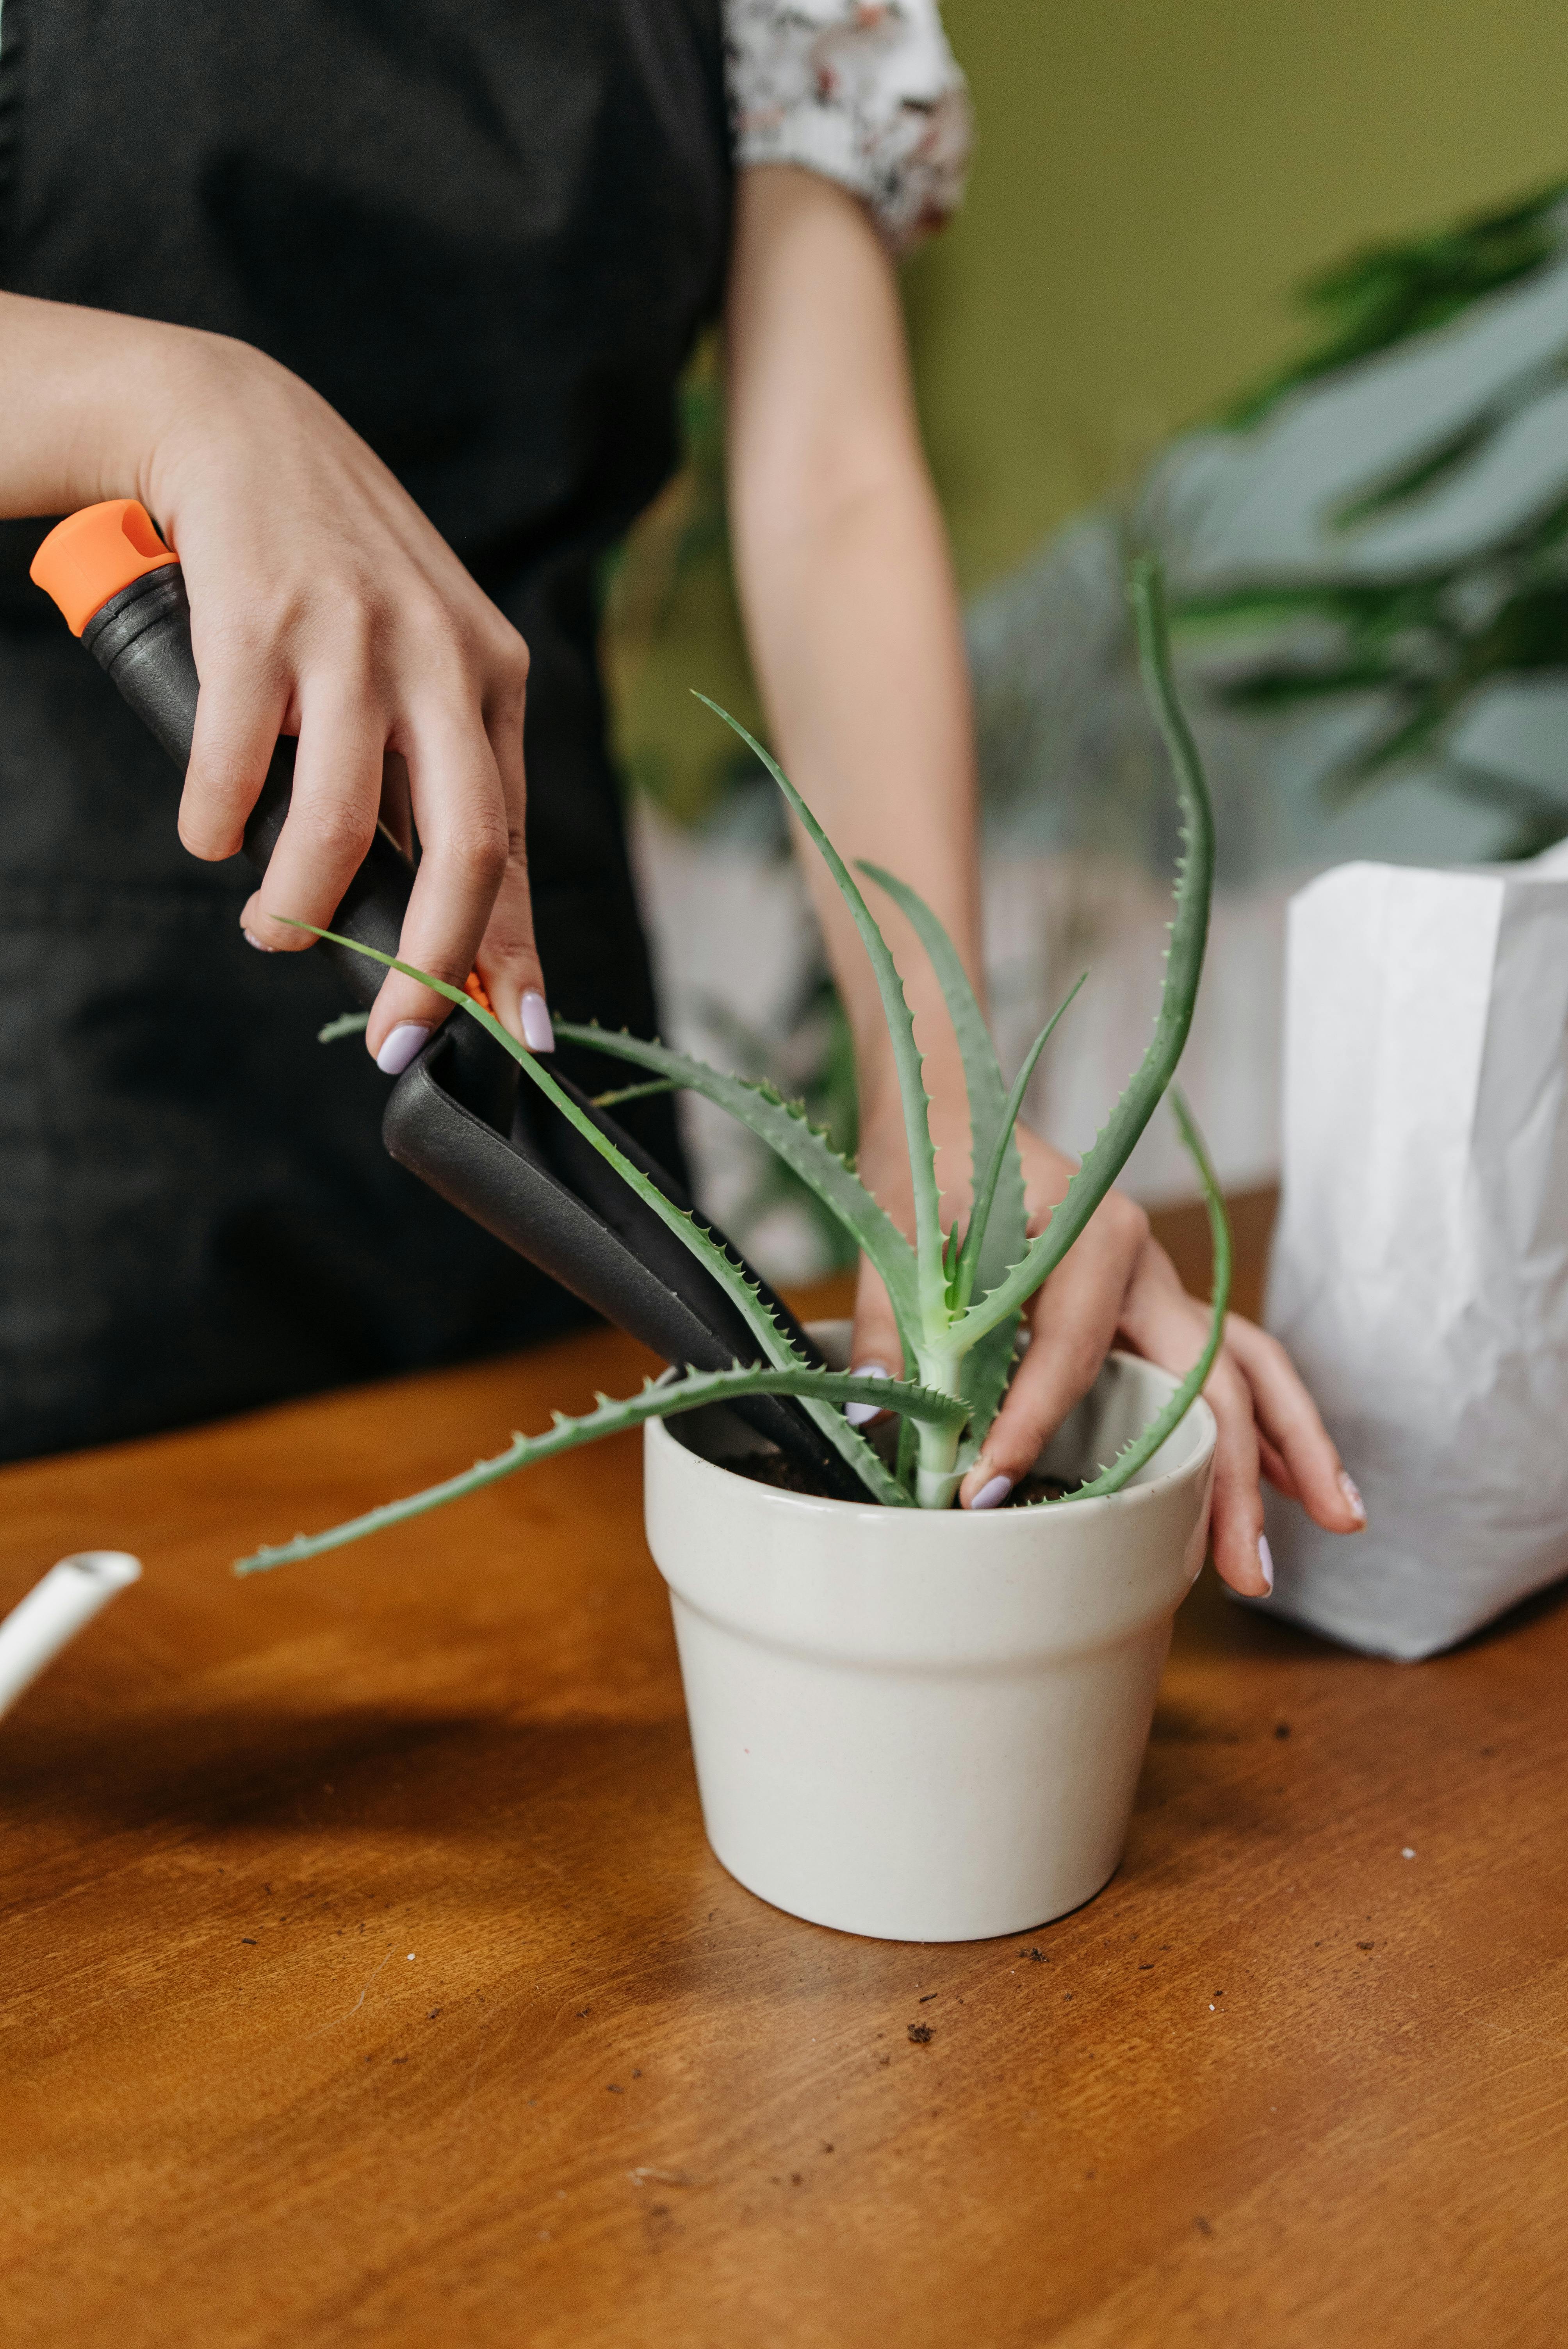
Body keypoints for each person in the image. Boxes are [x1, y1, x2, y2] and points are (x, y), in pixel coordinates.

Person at [0, 0, 1363, 1592]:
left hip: (536, 1068)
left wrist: (937, 1115)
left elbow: (828, 492)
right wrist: (161, 400)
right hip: (50, 1080)